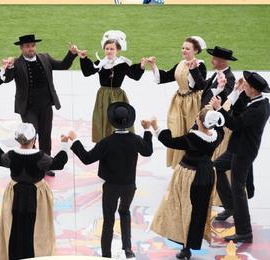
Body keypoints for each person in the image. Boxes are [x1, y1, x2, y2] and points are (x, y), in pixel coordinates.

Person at [69, 102, 153, 258]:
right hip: (129, 186)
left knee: (108, 220)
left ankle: (106, 255)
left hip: (111, 187)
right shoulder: (135, 139)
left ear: (111, 121)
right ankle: (128, 248)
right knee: (125, 212)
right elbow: (148, 151)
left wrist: (74, 141)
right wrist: (147, 130)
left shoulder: (107, 142)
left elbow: (87, 159)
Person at [150, 108, 225, 259]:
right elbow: (219, 126)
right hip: (208, 175)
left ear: (200, 121)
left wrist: (156, 126)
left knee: (184, 208)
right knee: (199, 211)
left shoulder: (192, 139)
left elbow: (169, 141)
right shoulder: (217, 136)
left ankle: (185, 245)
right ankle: (189, 244)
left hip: (191, 176)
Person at [0, 34, 79, 176]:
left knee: (45, 135)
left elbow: (62, 66)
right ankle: (31, 162)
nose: (30, 48)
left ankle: (46, 164)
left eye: (32, 45)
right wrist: (7, 67)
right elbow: (6, 80)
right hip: (28, 107)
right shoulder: (17, 63)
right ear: (21, 48)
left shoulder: (45, 58)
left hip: (46, 105)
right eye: (27, 46)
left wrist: (71, 54)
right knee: (31, 135)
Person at [0, 123, 68, 260]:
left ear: (18, 140)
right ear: (34, 139)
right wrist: (64, 144)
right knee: (36, 229)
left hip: (15, 197)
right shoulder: (40, 157)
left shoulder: (12, 155)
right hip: (36, 198)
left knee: (15, 226)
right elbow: (58, 163)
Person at [210, 71, 270, 243]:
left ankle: (244, 231)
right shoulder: (258, 101)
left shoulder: (258, 109)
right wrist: (237, 91)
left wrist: (219, 108)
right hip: (237, 148)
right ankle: (229, 207)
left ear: (252, 89)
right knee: (217, 167)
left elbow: (235, 124)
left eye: (246, 85)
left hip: (243, 152)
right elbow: (238, 112)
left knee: (238, 188)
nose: (244, 86)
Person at [147, 36, 207, 168]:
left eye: (187, 48)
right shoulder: (180, 64)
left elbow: (201, 85)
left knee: (190, 131)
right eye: (183, 48)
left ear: (196, 50)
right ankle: (179, 163)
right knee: (176, 130)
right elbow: (163, 78)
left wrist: (193, 69)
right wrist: (153, 65)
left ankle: (191, 164)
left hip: (193, 103)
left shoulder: (200, 65)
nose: (184, 50)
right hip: (178, 101)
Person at [78, 30, 145, 142]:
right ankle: (104, 140)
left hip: (117, 96)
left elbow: (134, 75)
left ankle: (119, 141)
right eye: (107, 48)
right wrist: (83, 58)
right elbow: (88, 71)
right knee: (103, 118)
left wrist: (142, 65)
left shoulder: (122, 64)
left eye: (112, 49)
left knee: (117, 117)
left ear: (117, 50)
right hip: (103, 95)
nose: (109, 51)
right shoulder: (100, 63)